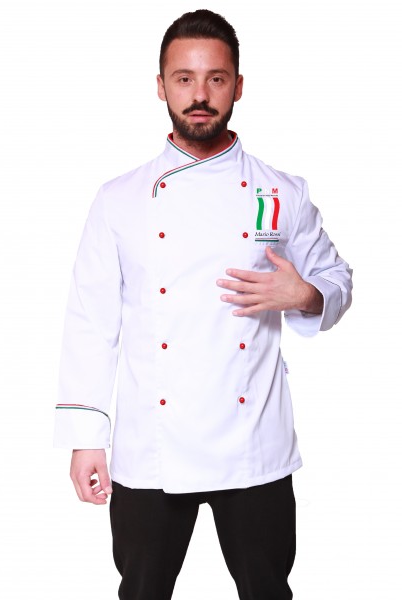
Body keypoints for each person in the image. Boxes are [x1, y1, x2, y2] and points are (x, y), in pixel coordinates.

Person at [54, 9, 352, 600]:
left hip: (255, 440)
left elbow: (336, 278)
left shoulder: (282, 191)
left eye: (216, 78)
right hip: (152, 445)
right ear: (160, 86)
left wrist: (306, 294)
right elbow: (91, 322)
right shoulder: (119, 199)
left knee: (267, 590)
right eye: (184, 78)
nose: (200, 95)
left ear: (238, 86)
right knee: (142, 591)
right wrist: (85, 435)